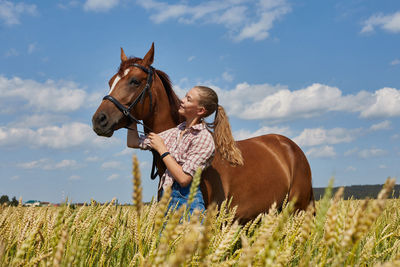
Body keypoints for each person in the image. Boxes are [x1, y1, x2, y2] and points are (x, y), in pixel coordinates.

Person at [127, 86, 243, 213]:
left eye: (188, 99)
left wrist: (162, 150)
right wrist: (132, 116)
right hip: (166, 200)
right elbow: (133, 142)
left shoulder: (203, 138)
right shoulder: (176, 132)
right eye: (185, 96)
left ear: (200, 110)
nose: (182, 100)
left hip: (187, 204)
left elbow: (183, 179)